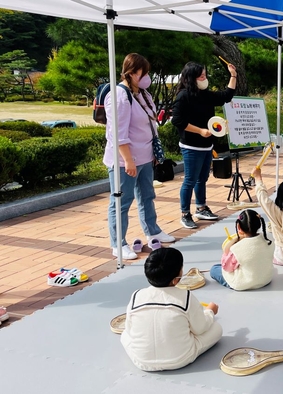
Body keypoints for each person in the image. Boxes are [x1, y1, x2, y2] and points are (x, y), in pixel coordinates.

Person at [103, 53, 174, 260]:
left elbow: (150, 122)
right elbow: (117, 133)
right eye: (144, 72)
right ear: (132, 73)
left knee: (147, 196)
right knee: (121, 201)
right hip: (126, 159)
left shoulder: (142, 93)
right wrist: (128, 160)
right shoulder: (119, 96)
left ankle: (152, 230)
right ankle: (118, 243)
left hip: (144, 156)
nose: (147, 77)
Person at [121, 248, 222, 371]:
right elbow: (200, 328)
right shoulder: (186, 296)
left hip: (141, 361)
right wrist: (210, 311)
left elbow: (130, 330)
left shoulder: (136, 295)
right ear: (175, 279)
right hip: (180, 358)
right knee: (217, 328)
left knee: (124, 334)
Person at [171, 61, 237, 229]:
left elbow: (226, 96)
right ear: (191, 78)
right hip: (191, 146)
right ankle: (185, 213)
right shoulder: (184, 96)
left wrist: (233, 75)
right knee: (190, 180)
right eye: (201, 75)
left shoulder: (205, 94)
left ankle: (201, 207)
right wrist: (200, 131)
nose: (204, 78)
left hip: (207, 145)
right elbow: (177, 121)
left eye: (205, 75)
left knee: (202, 178)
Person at [210, 209, 274, 291]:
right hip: (266, 279)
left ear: (238, 227)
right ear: (259, 224)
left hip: (244, 284)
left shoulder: (236, 248)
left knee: (214, 269)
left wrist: (227, 251)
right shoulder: (269, 239)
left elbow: (227, 267)